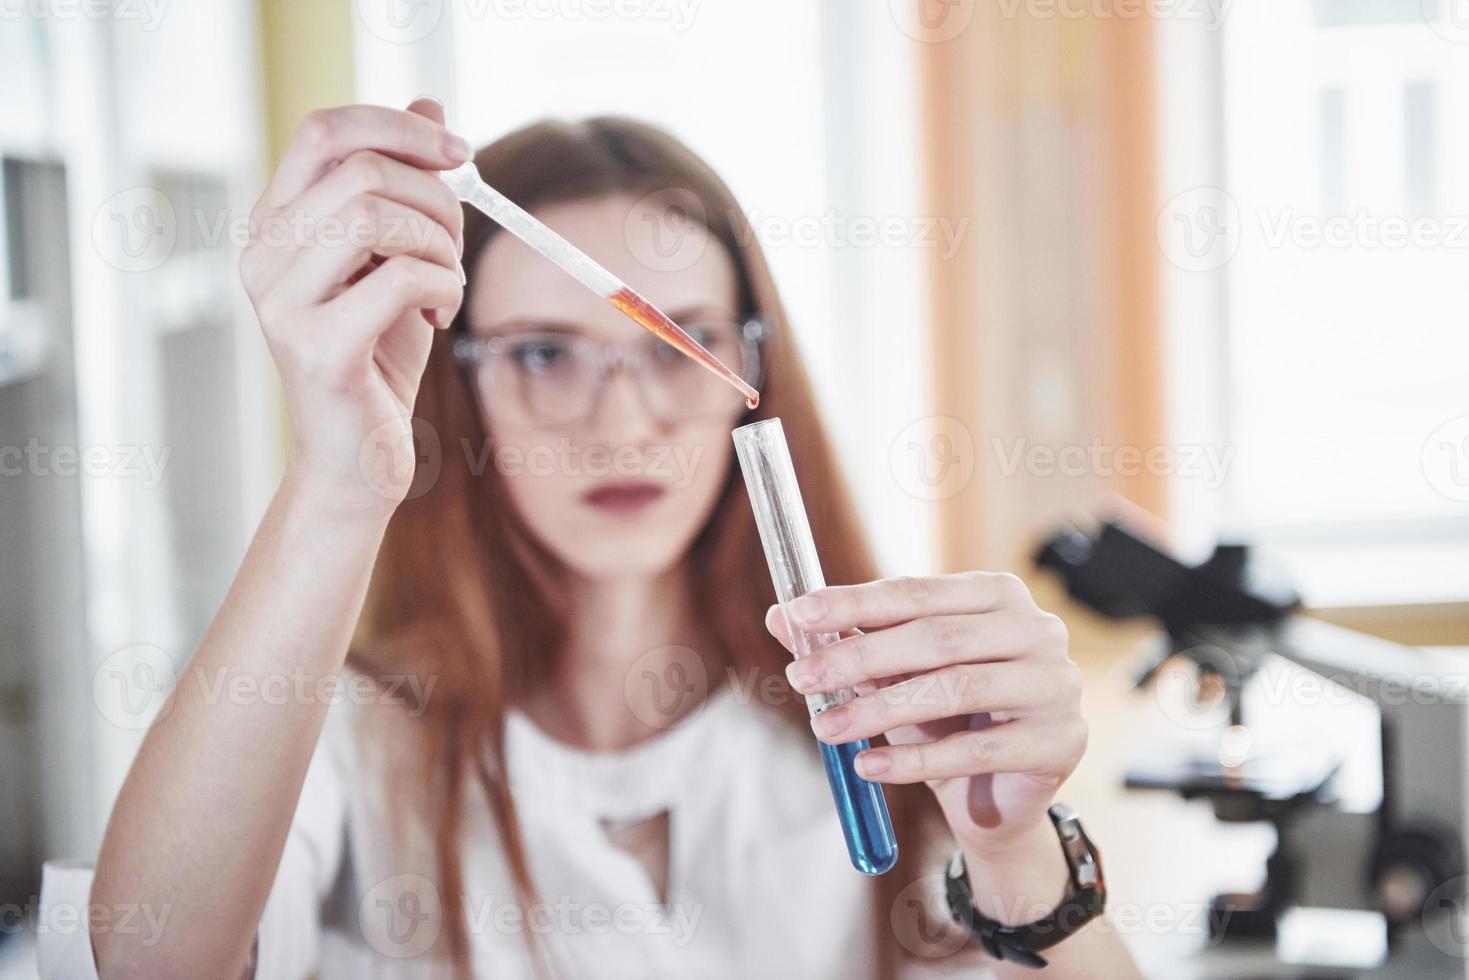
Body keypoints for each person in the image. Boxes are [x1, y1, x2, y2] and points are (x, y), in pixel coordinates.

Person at [59, 98, 1142, 979]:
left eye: (676, 348)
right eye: (542, 354)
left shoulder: (887, 734)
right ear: (459, 381)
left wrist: (1013, 850)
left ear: (746, 371)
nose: (621, 426)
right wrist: (338, 477)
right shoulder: (331, 741)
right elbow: (150, 957)